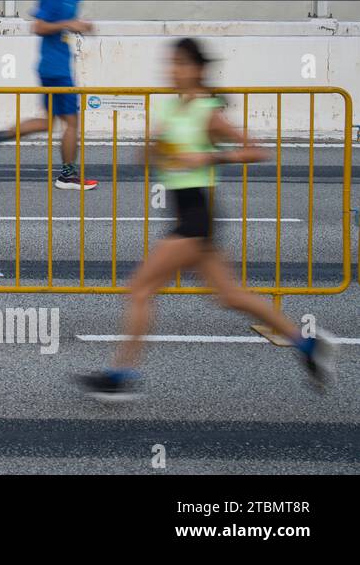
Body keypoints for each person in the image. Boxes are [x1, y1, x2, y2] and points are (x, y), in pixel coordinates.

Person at [78, 38, 335, 400]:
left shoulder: (207, 111)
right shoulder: (171, 109)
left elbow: (256, 150)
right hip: (185, 210)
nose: (173, 70)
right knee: (230, 296)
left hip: (197, 215)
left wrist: (209, 159)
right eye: (171, 63)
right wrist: (154, 149)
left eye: (181, 64)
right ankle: (307, 345)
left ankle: (120, 376)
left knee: (140, 288)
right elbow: (146, 159)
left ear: (197, 70)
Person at [0, 0, 98, 190]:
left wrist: (80, 24)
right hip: (55, 68)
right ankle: (68, 175)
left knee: (48, 122)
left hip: (58, 66)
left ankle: (0, 135)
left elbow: (66, 23)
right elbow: (38, 26)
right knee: (71, 122)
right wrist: (69, 23)